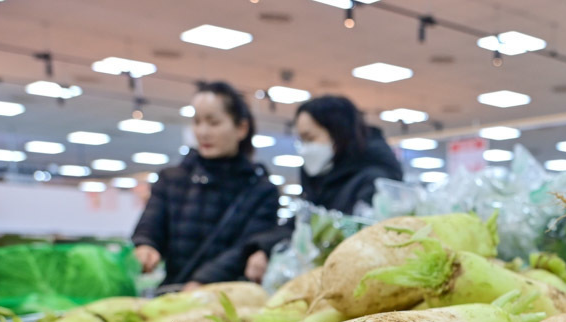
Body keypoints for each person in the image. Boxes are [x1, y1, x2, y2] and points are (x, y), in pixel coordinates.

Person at [132, 81, 279, 290]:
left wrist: (203, 281)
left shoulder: (261, 191)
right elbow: (151, 225)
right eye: (197, 121)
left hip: (229, 297)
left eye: (213, 122)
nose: (202, 132)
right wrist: (145, 245)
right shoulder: (171, 179)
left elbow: (246, 247)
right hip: (173, 293)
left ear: (241, 128)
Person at [243, 95, 403, 282]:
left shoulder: (375, 180)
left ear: (338, 133)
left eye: (310, 138)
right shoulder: (318, 181)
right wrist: (264, 247)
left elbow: (361, 240)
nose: (304, 148)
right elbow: (300, 223)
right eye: (301, 140)